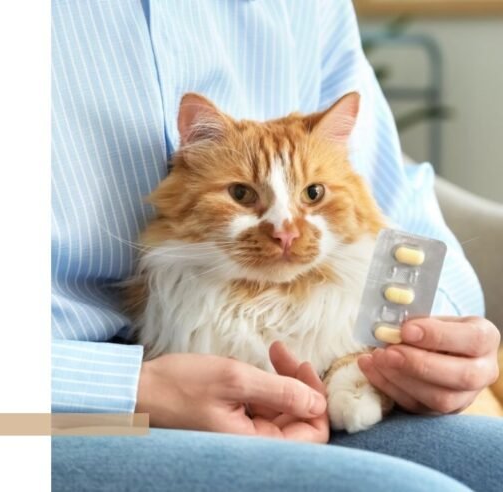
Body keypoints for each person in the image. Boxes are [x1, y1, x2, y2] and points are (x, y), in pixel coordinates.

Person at [51, 1, 502, 490]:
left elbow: (400, 213)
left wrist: (428, 341)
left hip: (325, 384)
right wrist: (128, 389)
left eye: (309, 195)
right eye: (243, 195)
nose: (284, 231)